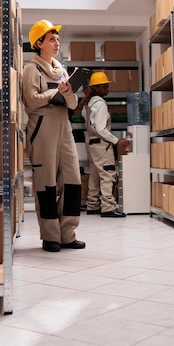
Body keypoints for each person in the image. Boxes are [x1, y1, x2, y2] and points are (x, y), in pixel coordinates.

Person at [22, 19, 85, 252]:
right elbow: (31, 100)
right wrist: (54, 92)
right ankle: (50, 236)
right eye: (51, 39)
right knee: (46, 184)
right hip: (42, 128)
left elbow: (73, 103)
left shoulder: (61, 70)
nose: (57, 42)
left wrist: (67, 92)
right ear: (39, 43)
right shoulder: (31, 70)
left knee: (73, 182)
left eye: (58, 38)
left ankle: (68, 234)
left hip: (64, 127)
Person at [81, 71, 130, 218]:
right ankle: (108, 207)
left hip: (91, 142)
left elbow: (88, 121)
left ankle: (92, 205)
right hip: (101, 144)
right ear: (96, 88)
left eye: (107, 86)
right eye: (104, 87)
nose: (107, 89)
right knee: (108, 173)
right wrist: (117, 141)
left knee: (95, 175)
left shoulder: (89, 103)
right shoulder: (101, 104)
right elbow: (101, 129)